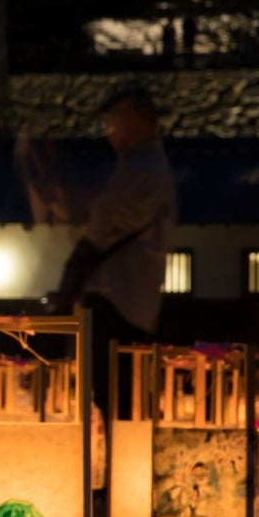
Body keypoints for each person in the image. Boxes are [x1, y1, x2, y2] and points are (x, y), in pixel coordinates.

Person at [69, 87, 179, 409]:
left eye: (112, 125)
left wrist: (71, 200)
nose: (110, 136)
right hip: (128, 299)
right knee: (118, 393)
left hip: (119, 298)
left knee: (113, 393)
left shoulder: (145, 168)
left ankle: (115, 455)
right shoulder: (146, 166)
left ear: (134, 121)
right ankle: (118, 452)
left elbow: (105, 220)